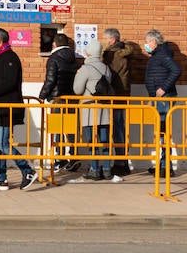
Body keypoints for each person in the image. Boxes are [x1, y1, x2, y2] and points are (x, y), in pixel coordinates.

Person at [0, 28, 38, 191]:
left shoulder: (10, 58)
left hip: (6, 107)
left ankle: (27, 170)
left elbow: (9, 83)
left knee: (2, 143)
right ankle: (1, 179)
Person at [74, 44, 119, 182]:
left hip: (89, 109)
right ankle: (106, 169)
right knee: (104, 140)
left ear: (88, 53)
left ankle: (94, 169)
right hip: (104, 108)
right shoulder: (106, 68)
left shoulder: (85, 69)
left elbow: (77, 90)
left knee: (92, 140)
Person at [39, 32, 80, 171]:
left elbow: (50, 80)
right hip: (72, 98)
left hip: (57, 98)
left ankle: (59, 158)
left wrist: (42, 95)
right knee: (70, 129)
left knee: (58, 129)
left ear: (54, 44)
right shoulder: (74, 58)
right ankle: (74, 157)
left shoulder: (54, 58)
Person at [144, 29, 181, 177]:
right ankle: (163, 163)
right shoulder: (157, 55)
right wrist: (152, 97)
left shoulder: (162, 55)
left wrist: (163, 89)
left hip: (165, 99)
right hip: (158, 99)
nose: (145, 45)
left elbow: (176, 70)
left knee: (163, 132)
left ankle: (166, 166)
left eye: (147, 42)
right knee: (161, 132)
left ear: (153, 42)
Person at [101, 28, 137, 177]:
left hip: (114, 94)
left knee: (116, 128)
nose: (102, 41)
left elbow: (109, 74)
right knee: (120, 127)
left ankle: (120, 163)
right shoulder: (124, 52)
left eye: (104, 38)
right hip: (123, 93)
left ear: (112, 40)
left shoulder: (113, 55)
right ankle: (122, 161)